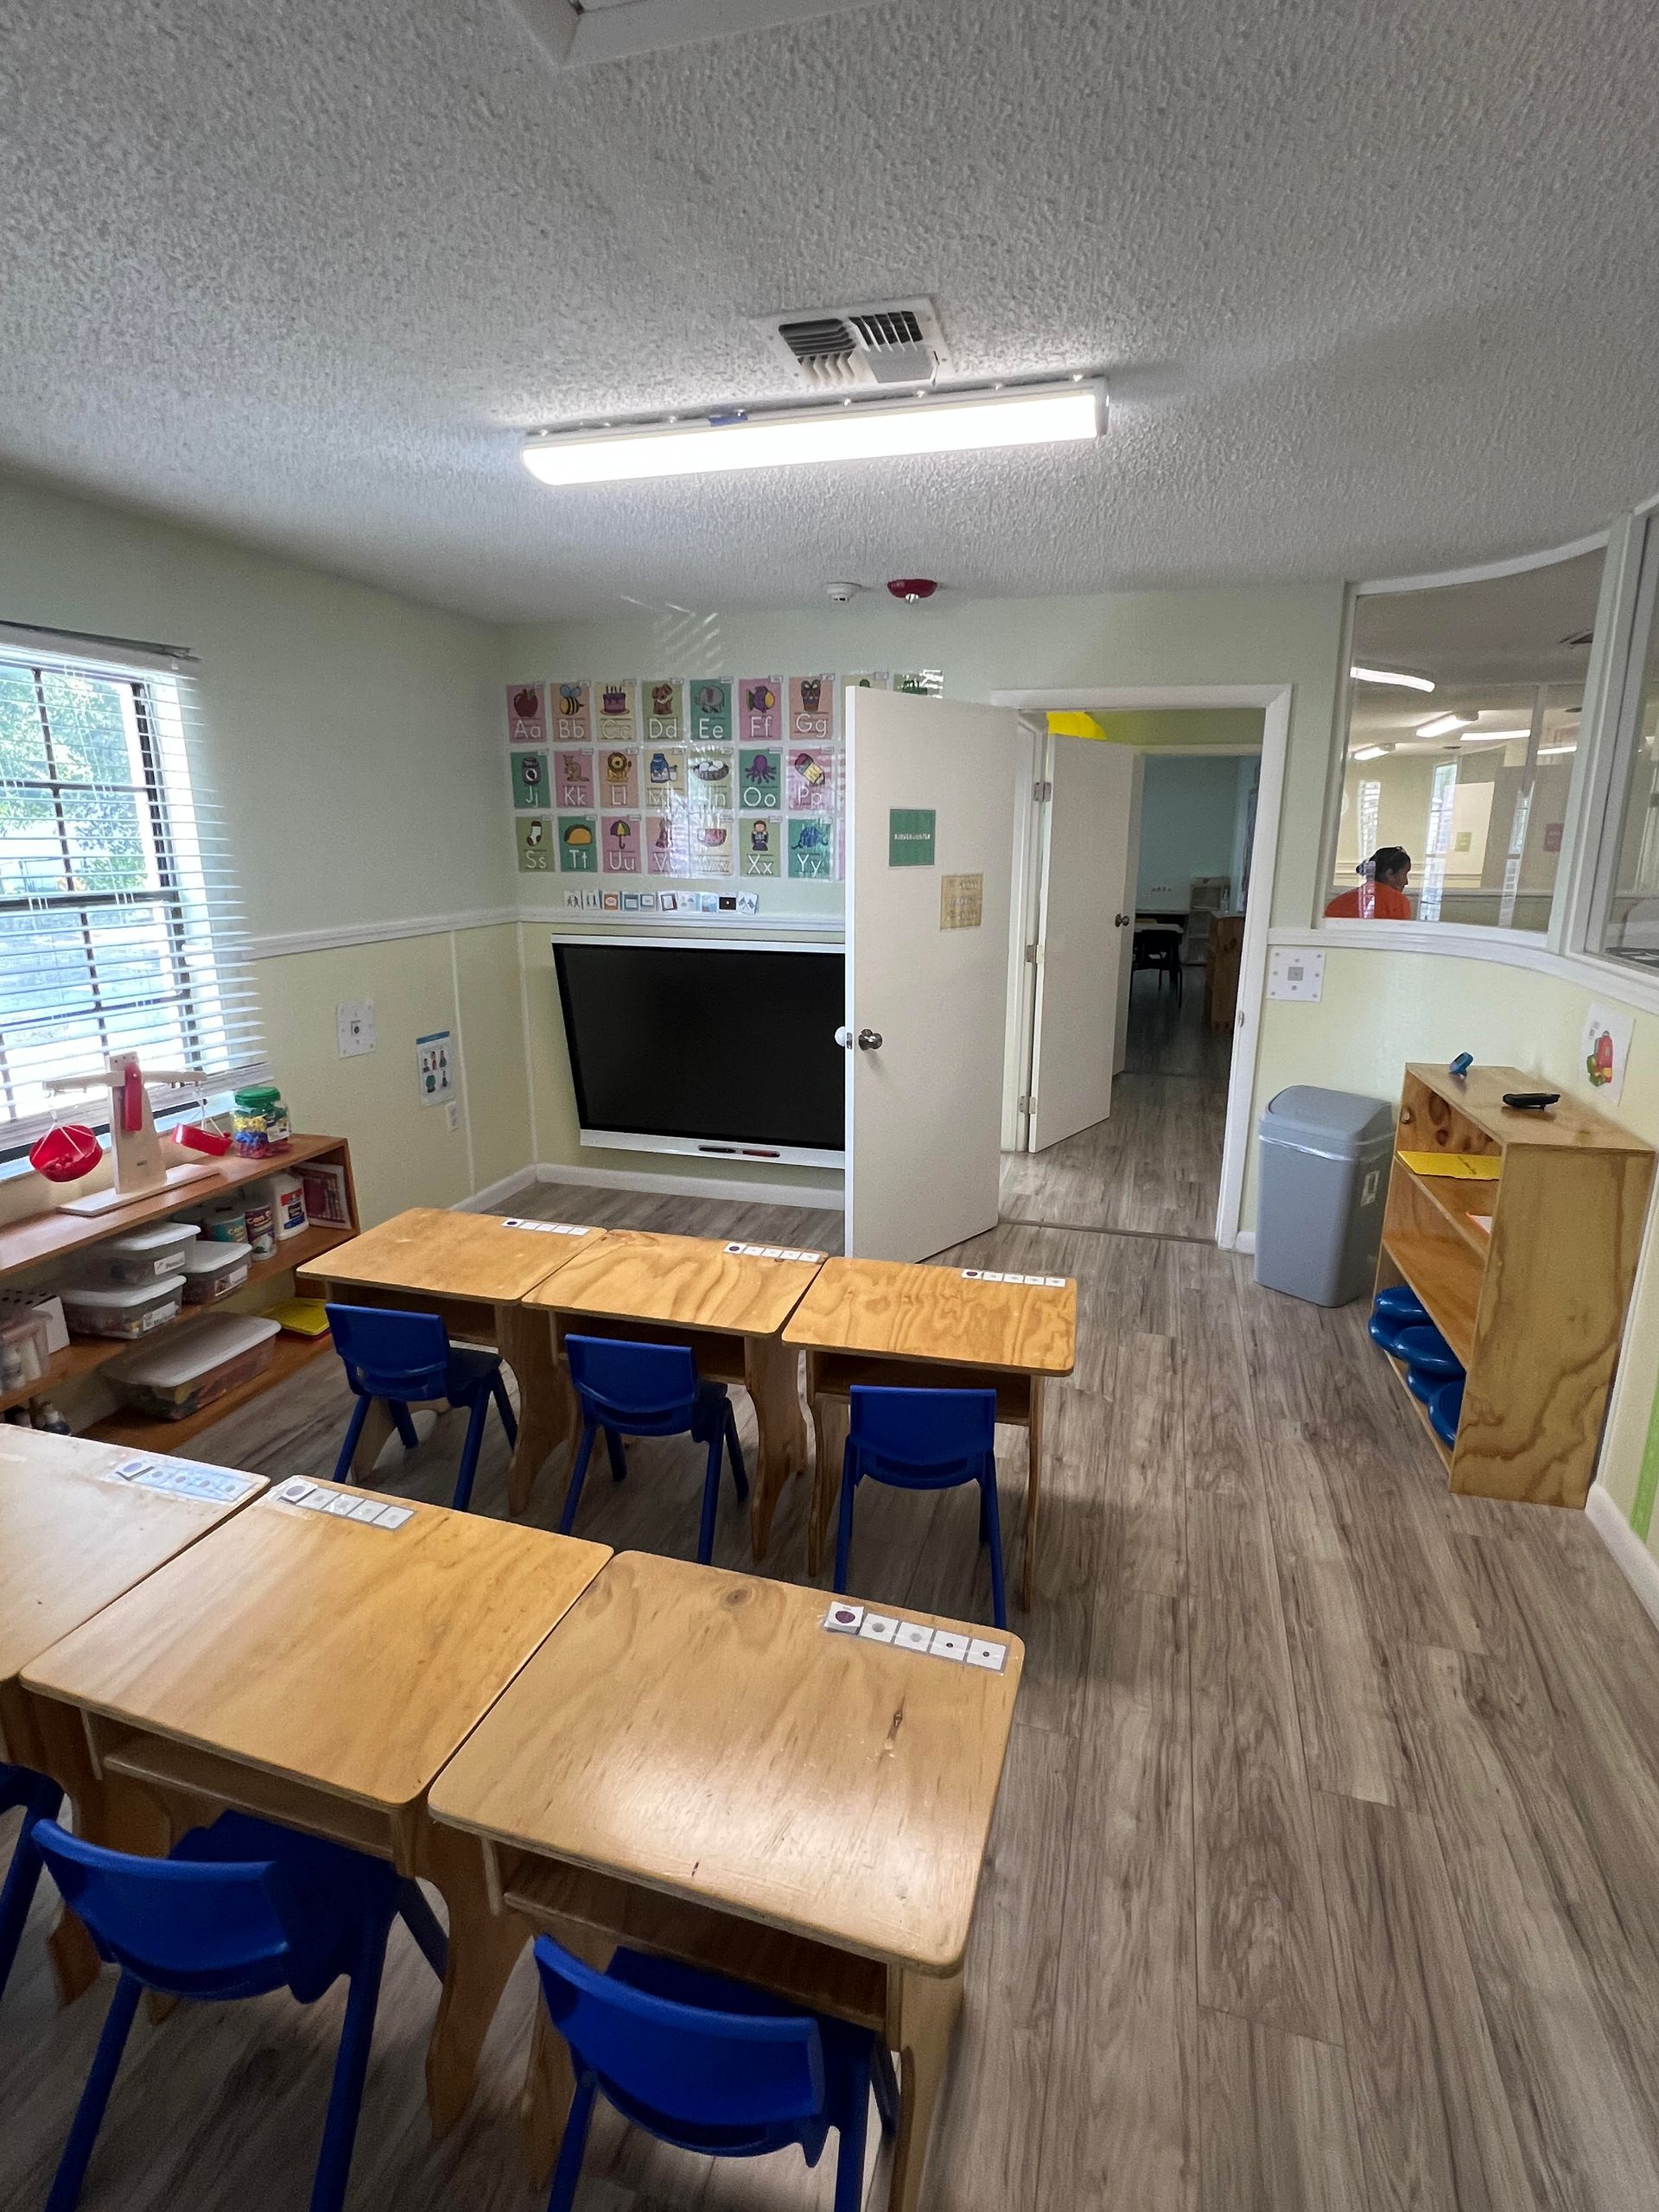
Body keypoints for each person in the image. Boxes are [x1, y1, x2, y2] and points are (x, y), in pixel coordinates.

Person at [1326, 846, 1413, 919]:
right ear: (1389, 874)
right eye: (1404, 874)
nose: (1406, 882)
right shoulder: (1399, 903)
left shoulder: (1339, 902)